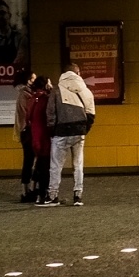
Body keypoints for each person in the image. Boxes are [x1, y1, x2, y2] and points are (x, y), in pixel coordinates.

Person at [38, 67, 95, 206]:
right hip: (79, 131)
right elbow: (91, 114)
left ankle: (52, 196)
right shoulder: (86, 91)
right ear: (78, 73)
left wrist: (52, 130)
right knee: (78, 164)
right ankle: (78, 196)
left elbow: (50, 112)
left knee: (56, 166)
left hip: (61, 132)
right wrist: (84, 129)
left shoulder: (56, 91)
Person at [12, 69, 39, 202]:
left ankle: (29, 189)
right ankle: (26, 190)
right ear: (28, 81)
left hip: (27, 131)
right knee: (29, 161)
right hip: (28, 131)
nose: (36, 81)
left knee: (30, 160)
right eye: (34, 78)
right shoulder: (25, 95)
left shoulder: (26, 94)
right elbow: (26, 114)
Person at [26, 76, 52, 204]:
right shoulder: (45, 100)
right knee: (46, 167)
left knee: (40, 164)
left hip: (35, 137)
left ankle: (36, 190)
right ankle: (44, 194)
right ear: (45, 85)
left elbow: (28, 117)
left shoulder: (32, 99)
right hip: (45, 138)